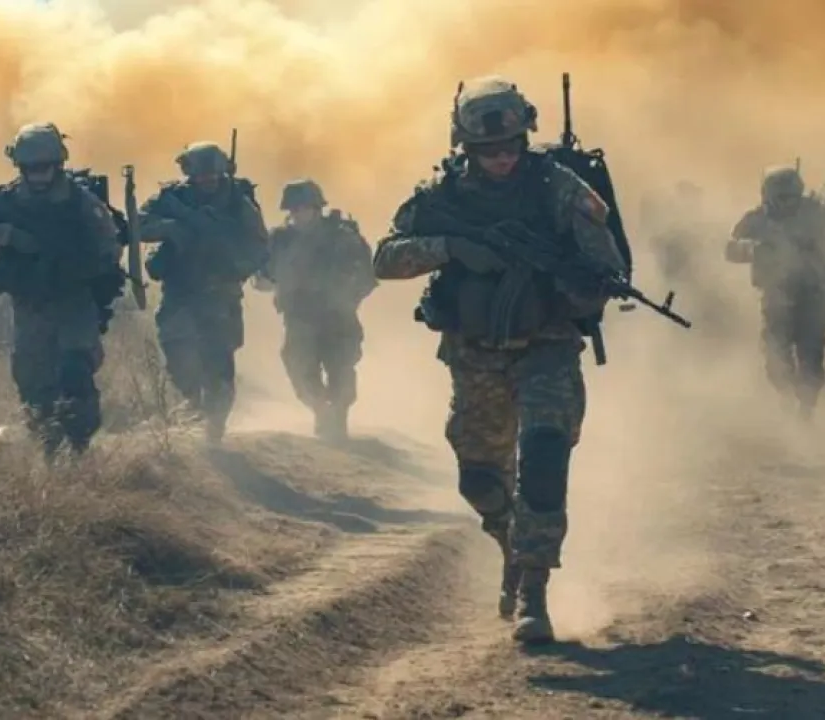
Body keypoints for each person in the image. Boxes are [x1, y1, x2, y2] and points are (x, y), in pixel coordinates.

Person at [372, 75, 625, 644]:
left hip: (547, 348)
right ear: (466, 147)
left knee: (544, 457)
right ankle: (510, 543)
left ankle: (535, 590)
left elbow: (606, 265)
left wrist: (577, 285)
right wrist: (451, 248)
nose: (502, 158)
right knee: (480, 479)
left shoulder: (558, 188)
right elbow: (385, 259)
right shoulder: (441, 195)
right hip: (475, 356)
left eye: (511, 146)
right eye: (488, 150)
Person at [0, 122, 123, 458]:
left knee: (76, 372)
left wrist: (80, 266)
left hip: (74, 302)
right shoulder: (4, 199)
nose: (37, 175)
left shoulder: (80, 201)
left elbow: (109, 243)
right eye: (30, 168)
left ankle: (79, 447)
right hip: (30, 304)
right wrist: (9, 236)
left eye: (44, 167)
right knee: (33, 384)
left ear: (58, 164)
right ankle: (49, 450)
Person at [138, 141, 268, 444]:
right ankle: (192, 404)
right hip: (180, 289)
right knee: (175, 349)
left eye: (213, 173)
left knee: (218, 360)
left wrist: (236, 264)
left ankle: (215, 423)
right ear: (189, 173)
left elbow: (260, 244)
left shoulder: (237, 201)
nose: (207, 179)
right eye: (201, 174)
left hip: (220, 292)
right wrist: (171, 228)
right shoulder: (173, 198)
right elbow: (140, 224)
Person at [725, 165, 825, 417]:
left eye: (793, 197)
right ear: (768, 196)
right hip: (776, 298)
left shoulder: (814, 213)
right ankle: (786, 399)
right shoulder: (757, 220)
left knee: (811, 358)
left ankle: (806, 410)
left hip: (812, 296)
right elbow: (730, 249)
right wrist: (754, 249)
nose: (788, 203)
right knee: (776, 359)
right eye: (782, 198)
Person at [256, 178, 376, 440]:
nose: (298, 214)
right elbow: (264, 276)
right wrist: (270, 281)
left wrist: (346, 298)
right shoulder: (281, 240)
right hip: (299, 318)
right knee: (299, 368)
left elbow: (367, 277)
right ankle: (322, 411)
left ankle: (337, 420)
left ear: (317, 208)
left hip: (338, 318)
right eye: (293, 209)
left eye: (303, 208)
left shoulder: (342, 237)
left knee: (340, 369)